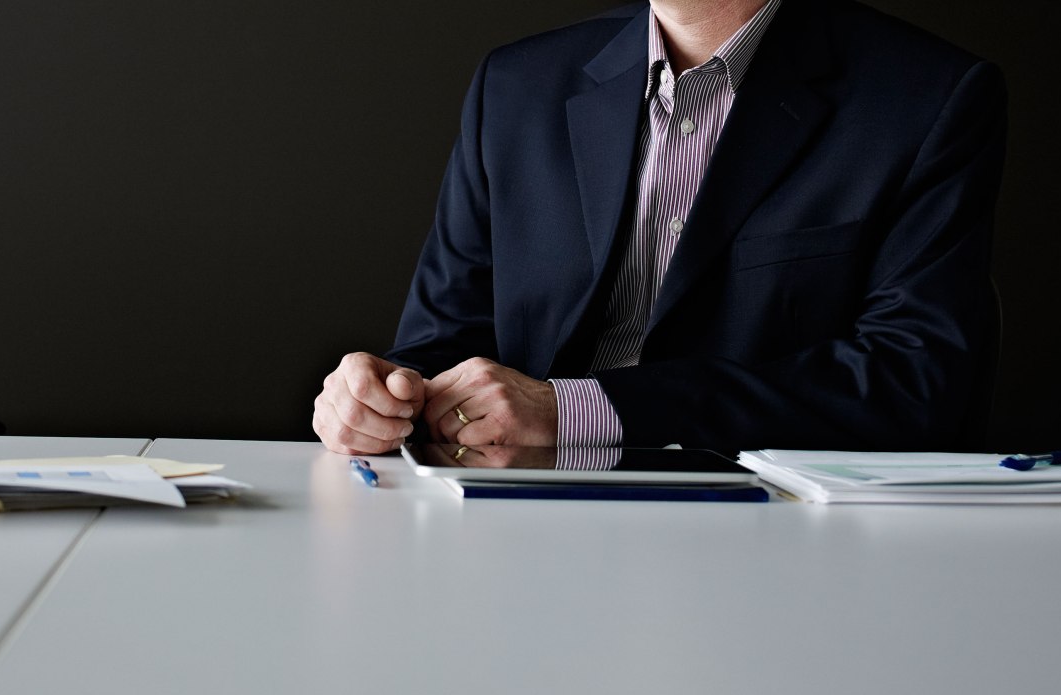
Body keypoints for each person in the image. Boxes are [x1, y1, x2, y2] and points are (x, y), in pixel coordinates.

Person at [313, 0, 1005, 455]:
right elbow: (443, 342)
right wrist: (381, 397)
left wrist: (576, 411)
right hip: (506, 521)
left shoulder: (925, 97)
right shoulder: (517, 85)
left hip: (773, 540)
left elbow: (912, 379)